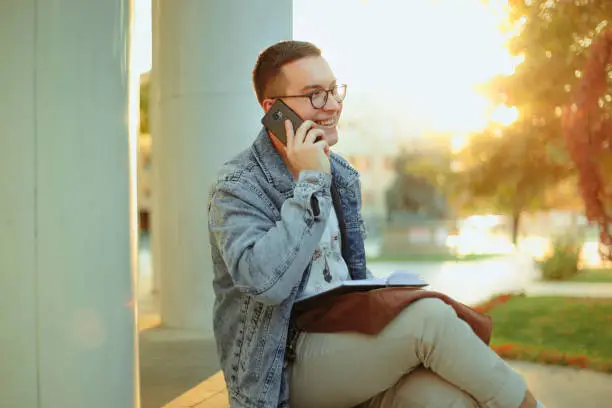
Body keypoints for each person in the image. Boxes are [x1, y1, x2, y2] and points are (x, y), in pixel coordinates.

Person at [207, 40, 546, 408]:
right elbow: (264, 283)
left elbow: (344, 275)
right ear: (274, 110)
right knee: (429, 320)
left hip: (344, 340)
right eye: (314, 95)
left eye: (334, 91)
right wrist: (310, 184)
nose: (333, 105)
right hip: (279, 367)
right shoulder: (238, 185)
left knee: (445, 400)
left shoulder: (341, 174)